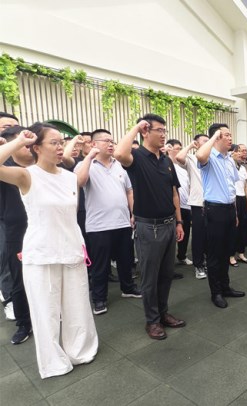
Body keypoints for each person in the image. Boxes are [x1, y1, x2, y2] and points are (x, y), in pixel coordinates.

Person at [0, 123, 98, 378]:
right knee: (46, 312)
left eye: (61, 142)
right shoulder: (26, 175)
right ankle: (54, 361)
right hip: (41, 254)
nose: (60, 147)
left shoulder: (69, 177)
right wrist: (18, 140)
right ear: (36, 147)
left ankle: (80, 350)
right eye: (54, 143)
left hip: (72, 250)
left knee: (77, 307)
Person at [114, 114, 186, 340]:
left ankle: (163, 313)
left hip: (169, 224)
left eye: (165, 130)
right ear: (146, 132)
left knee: (166, 275)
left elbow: (174, 193)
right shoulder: (136, 157)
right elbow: (119, 154)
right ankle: (152, 320)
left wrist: (179, 222)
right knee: (150, 278)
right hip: (148, 228)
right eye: (159, 130)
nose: (164, 134)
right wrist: (136, 127)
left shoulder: (166, 161)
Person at [74, 129, 141, 316]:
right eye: (106, 141)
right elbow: (79, 182)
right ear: (93, 144)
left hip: (122, 222)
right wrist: (90, 157)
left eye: (112, 141)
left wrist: (133, 213)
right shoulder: (85, 164)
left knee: (126, 260)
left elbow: (129, 191)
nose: (111, 144)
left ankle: (128, 288)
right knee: (100, 265)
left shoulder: (119, 165)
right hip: (99, 226)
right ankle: (99, 298)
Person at [196, 123, 245, 309]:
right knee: (215, 254)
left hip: (230, 210)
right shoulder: (209, 157)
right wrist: (214, 135)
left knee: (226, 251)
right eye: (226, 135)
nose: (230, 138)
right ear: (216, 137)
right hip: (214, 211)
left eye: (230, 135)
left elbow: (232, 187)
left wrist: (235, 212)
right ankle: (215, 292)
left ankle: (225, 287)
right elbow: (200, 155)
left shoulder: (229, 160)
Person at [0, 126, 33, 344]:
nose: (31, 148)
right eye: (26, 144)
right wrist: (15, 143)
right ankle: (24, 323)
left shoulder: (40, 167)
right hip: (17, 231)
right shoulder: (7, 168)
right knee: (20, 280)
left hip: (44, 229)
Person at [175, 134, 209, 280]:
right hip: (198, 203)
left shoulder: (213, 159)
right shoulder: (192, 159)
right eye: (205, 141)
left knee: (211, 235)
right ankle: (199, 265)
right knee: (199, 236)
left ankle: (208, 261)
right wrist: (190, 146)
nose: (208, 143)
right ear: (197, 143)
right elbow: (179, 157)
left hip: (214, 203)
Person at [0, 112, 20, 321]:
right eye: (6, 126)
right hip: (3, 216)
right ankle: (10, 300)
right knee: (5, 257)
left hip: (20, 214)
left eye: (15, 125)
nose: (12, 129)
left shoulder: (21, 153)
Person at [165, 139, 193, 268]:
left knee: (185, 232)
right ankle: (168, 262)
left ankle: (182, 256)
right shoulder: (166, 165)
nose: (180, 151)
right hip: (173, 206)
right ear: (169, 149)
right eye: (178, 148)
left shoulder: (184, 167)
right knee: (171, 235)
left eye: (181, 148)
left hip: (186, 204)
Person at [230, 144, 247, 266]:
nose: (240, 154)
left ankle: (241, 253)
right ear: (231, 153)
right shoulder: (228, 167)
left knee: (243, 227)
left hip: (242, 199)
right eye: (237, 151)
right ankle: (231, 255)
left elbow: (245, 186)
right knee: (234, 228)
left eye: (240, 151)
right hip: (234, 199)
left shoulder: (242, 168)